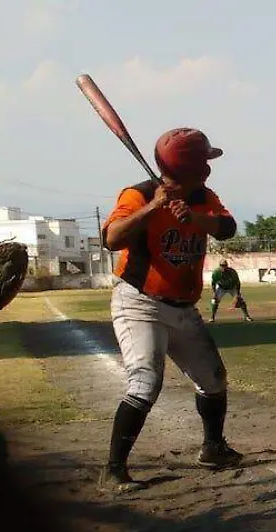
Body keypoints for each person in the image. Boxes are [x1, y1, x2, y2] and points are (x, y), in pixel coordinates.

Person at [99, 127, 243, 492]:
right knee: (145, 382)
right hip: (140, 303)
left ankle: (213, 449)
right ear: (193, 166)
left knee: (213, 380)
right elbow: (111, 239)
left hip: (182, 306)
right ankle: (113, 470)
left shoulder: (203, 196)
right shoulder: (139, 194)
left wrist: (193, 218)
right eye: (205, 160)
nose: (209, 167)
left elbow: (227, 227)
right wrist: (153, 208)